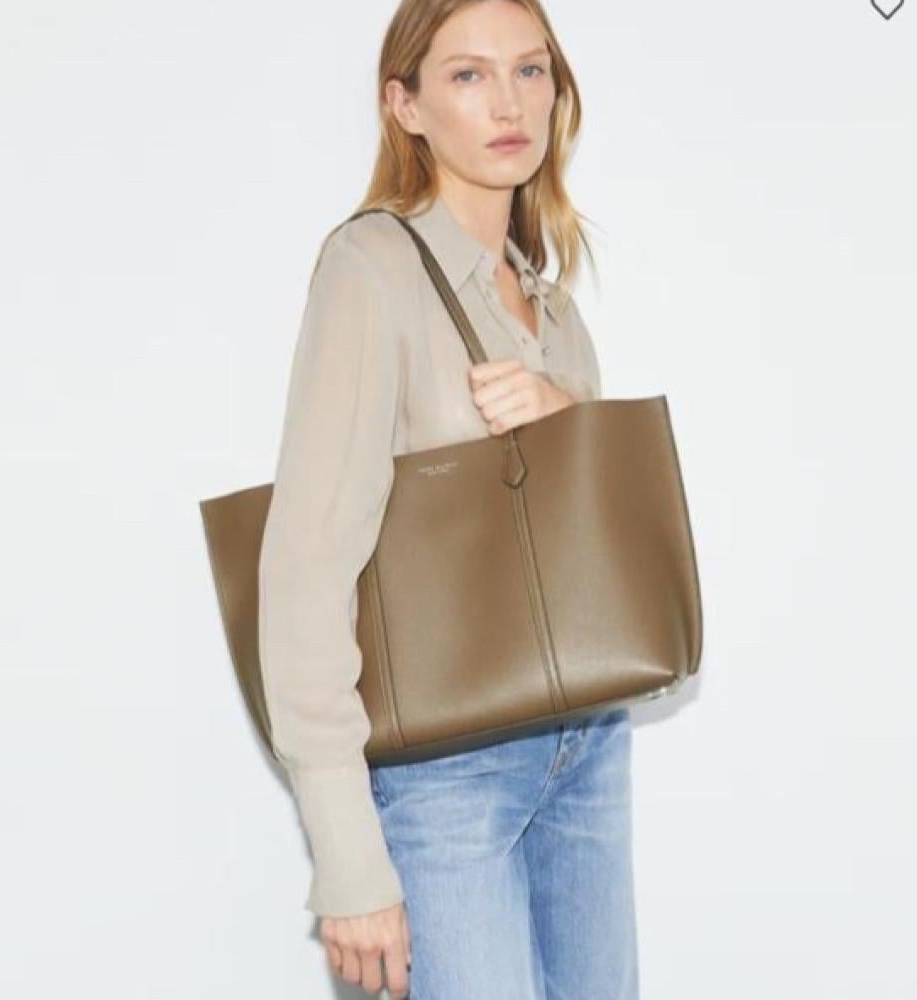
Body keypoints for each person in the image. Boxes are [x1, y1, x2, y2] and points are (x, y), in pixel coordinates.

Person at [258, 1, 639, 997]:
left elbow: (594, 542)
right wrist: (347, 858)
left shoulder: (549, 301)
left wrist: (566, 413)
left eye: (530, 70)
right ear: (406, 106)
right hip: (449, 771)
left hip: (587, 743)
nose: (508, 103)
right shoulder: (372, 269)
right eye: (468, 75)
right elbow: (307, 564)